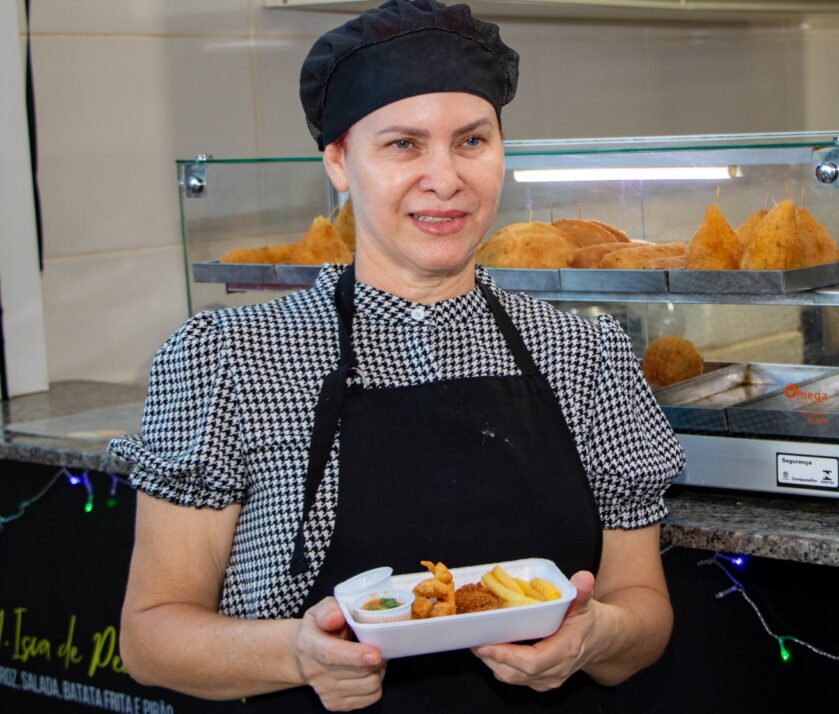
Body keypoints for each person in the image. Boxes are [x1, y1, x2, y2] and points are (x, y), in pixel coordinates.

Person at [109, 1, 684, 711]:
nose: (444, 178)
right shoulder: (226, 358)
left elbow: (644, 617)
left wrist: (597, 637)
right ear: (338, 162)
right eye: (404, 145)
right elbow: (151, 636)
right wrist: (296, 654)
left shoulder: (584, 352)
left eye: (471, 141)